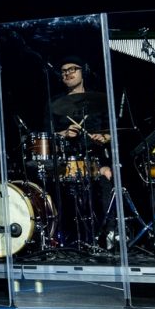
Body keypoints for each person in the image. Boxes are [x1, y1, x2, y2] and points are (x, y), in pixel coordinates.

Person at [46, 55, 115, 248]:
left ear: (82, 72)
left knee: (108, 176)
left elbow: (112, 132)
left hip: (95, 159)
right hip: (64, 161)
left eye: (72, 69)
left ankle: (109, 233)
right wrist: (64, 133)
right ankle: (62, 236)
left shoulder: (98, 100)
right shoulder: (54, 103)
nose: (67, 73)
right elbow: (46, 134)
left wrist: (104, 138)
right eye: (64, 71)